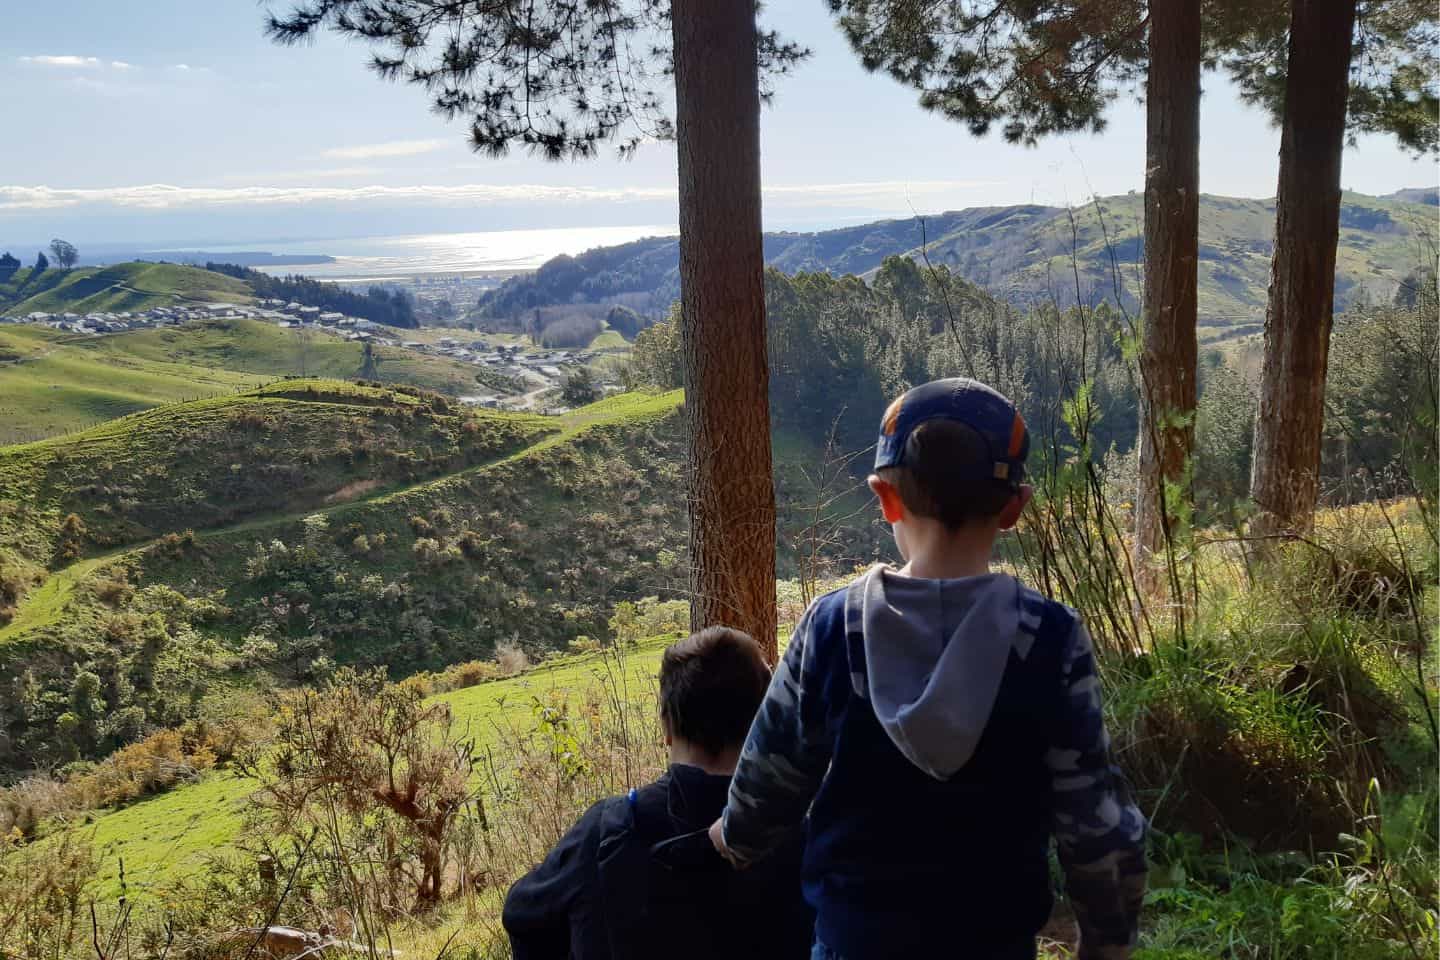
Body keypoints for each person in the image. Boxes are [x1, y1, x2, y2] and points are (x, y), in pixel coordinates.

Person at [710, 378, 1148, 960]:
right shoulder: (1050, 639)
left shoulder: (832, 628)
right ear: (1015, 508)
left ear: (884, 497)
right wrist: (1105, 944)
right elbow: (1096, 824)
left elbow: (768, 785)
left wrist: (729, 839)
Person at [503, 626, 812, 960]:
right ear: (762, 719)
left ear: (666, 727)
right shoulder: (806, 826)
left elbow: (522, 918)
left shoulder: (607, 830)